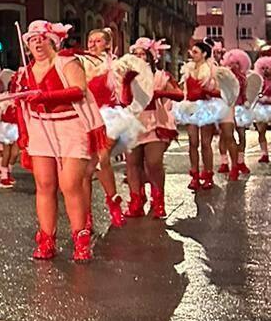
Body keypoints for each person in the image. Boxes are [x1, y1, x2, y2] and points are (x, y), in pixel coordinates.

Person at [15, 21, 107, 261]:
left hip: (71, 127)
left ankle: (81, 239)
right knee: (44, 185)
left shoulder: (67, 62)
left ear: (53, 41)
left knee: (70, 185)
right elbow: (20, 105)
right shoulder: (24, 72)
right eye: (32, 39)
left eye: (42, 38)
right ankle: (47, 240)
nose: (37, 42)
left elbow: (79, 90)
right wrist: (23, 129)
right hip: (41, 129)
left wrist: (45, 96)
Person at [83, 26, 148, 229]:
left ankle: (113, 203)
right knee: (85, 170)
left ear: (108, 44)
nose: (93, 44)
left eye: (98, 41)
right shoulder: (80, 63)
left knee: (101, 160)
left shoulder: (115, 65)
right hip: (86, 117)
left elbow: (125, 98)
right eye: (90, 40)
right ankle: (86, 216)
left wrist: (128, 84)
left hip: (109, 117)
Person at [124, 38, 182, 219]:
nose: (139, 57)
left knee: (153, 162)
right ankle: (136, 201)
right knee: (133, 164)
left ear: (151, 57)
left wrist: (160, 93)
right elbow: (123, 101)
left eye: (143, 54)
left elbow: (179, 94)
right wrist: (126, 83)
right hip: (132, 124)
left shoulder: (161, 76)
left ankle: (158, 200)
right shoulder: (125, 76)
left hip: (155, 123)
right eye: (136, 54)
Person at [172, 39, 227, 191]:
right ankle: (195, 175)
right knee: (192, 142)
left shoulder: (211, 71)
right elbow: (183, 89)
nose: (192, 54)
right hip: (190, 107)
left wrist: (207, 92)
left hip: (205, 108)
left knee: (205, 143)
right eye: (192, 52)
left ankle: (208, 174)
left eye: (196, 52)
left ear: (204, 54)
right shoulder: (187, 69)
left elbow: (219, 91)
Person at [217, 47, 251, 180]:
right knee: (225, 136)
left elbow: (244, 94)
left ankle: (240, 161)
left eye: (236, 63)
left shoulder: (243, 78)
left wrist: (246, 102)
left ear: (241, 64)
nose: (233, 66)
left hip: (240, 107)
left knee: (241, 134)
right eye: (231, 63)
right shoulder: (223, 77)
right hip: (226, 107)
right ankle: (224, 162)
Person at [0, 68, 20, 187]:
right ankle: (4, 176)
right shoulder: (4, 97)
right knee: (7, 152)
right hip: (6, 127)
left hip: (18, 126)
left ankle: (8, 172)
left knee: (15, 153)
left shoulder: (21, 97)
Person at [247, 54, 271, 164]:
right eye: (263, 68)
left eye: (267, 68)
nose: (265, 70)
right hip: (261, 108)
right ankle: (264, 154)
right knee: (261, 132)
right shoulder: (259, 81)